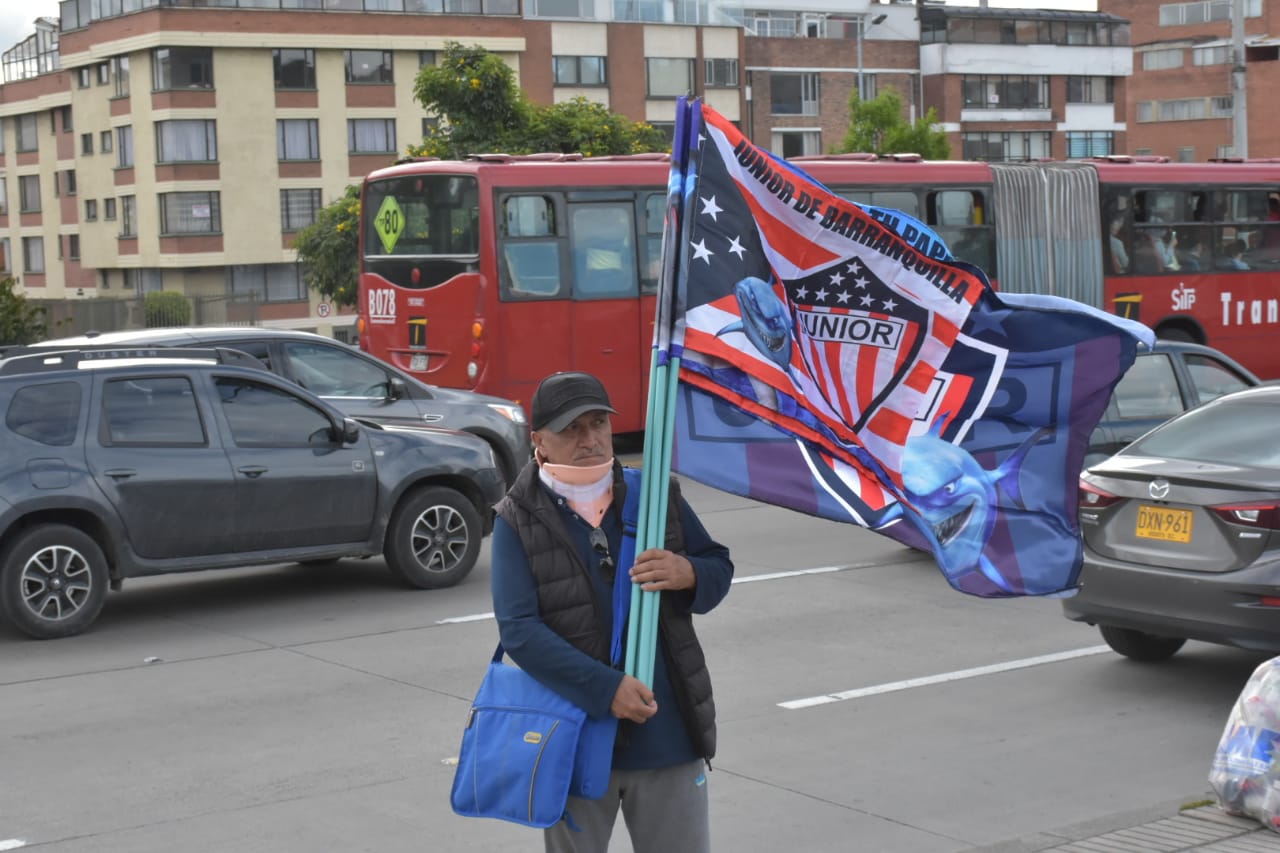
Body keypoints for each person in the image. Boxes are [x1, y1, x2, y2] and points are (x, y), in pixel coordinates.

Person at [490, 371, 734, 853]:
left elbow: (718, 569)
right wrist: (607, 690)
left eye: (598, 423)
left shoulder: (656, 496)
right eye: (571, 429)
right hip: (573, 743)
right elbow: (520, 632)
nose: (589, 439)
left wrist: (688, 572)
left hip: (669, 738)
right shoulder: (516, 518)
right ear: (538, 439)